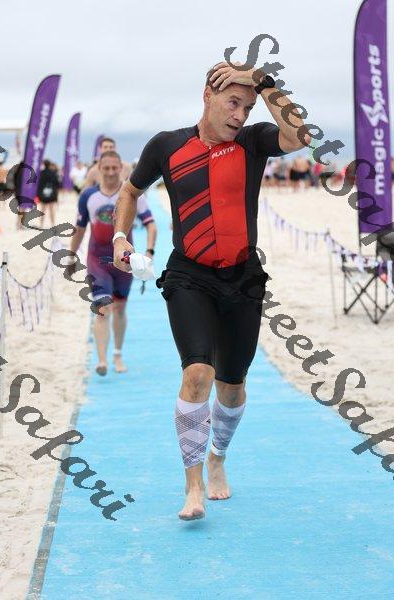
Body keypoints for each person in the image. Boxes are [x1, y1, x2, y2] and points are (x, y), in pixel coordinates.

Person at [113, 61, 310, 520]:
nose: (240, 115)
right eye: (233, 103)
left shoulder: (252, 142)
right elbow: (130, 192)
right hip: (189, 275)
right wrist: (122, 237)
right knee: (197, 372)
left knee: (232, 387)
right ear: (208, 95)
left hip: (243, 277)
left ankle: (218, 456)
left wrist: (264, 83)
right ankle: (194, 485)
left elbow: (300, 136)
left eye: (247, 107)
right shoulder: (166, 146)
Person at [69, 150, 157, 375]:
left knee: (119, 309)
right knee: (103, 308)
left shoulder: (132, 195)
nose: (110, 172)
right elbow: (79, 229)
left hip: (124, 261)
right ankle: (102, 360)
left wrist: (149, 251)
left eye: (114, 168)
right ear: (99, 169)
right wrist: (71, 255)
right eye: (105, 168)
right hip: (97, 260)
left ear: (121, 168)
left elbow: (150, 224)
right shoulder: (88, 196)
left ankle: (117, 354)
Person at [37, 159, 60, 227]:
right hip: (52, 193)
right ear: (49, 165)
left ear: (44, 164)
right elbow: (57, 184)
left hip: (43, 193)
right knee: (51, 210)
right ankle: (52, 224)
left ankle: (41, 224)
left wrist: (38, 194)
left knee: (43, 209)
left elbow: (38, 184)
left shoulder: (41, 173)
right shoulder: (53, 173)